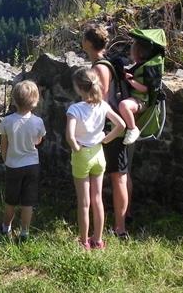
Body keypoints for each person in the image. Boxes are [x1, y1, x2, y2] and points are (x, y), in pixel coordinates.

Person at [82, 23, 133, 239]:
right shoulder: (105, 64)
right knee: (120, 174)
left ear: (88, 43)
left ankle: (120, 227)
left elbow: (99, 99)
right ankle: (124, 218)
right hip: (112, 127)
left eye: (83, 38)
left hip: (109, 128)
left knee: (117, 176)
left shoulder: (100, 67)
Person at [66, 67, 125, 250]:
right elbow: (121, 125)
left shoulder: (75, 109)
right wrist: (106, 138)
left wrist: (76, 148)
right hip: (99, 154)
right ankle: (98, 240)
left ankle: (84, 241)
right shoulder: (103, 106)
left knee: (84, 203)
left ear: (79, 88)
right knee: (97, 199)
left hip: (83, 155)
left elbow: (69, 135)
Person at [0, 80, 46, 242]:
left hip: (13, 165)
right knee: (28, 202)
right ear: (35, 101)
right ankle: (24, 232)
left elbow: (4, 146)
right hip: (32, 165)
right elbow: (38, 141)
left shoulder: (6, 121)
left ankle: (6, 227)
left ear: (14, 100)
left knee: (10, 200)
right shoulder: (38, 122)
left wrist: (6, 160)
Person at [119, 30, 165, 145]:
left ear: (139, 53)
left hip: (141, 100)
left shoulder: (148, 69)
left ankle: (132, 129)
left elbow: (146, 89)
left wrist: (130, 80)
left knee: (124, 105)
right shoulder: (141, 66)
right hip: (135, 98)